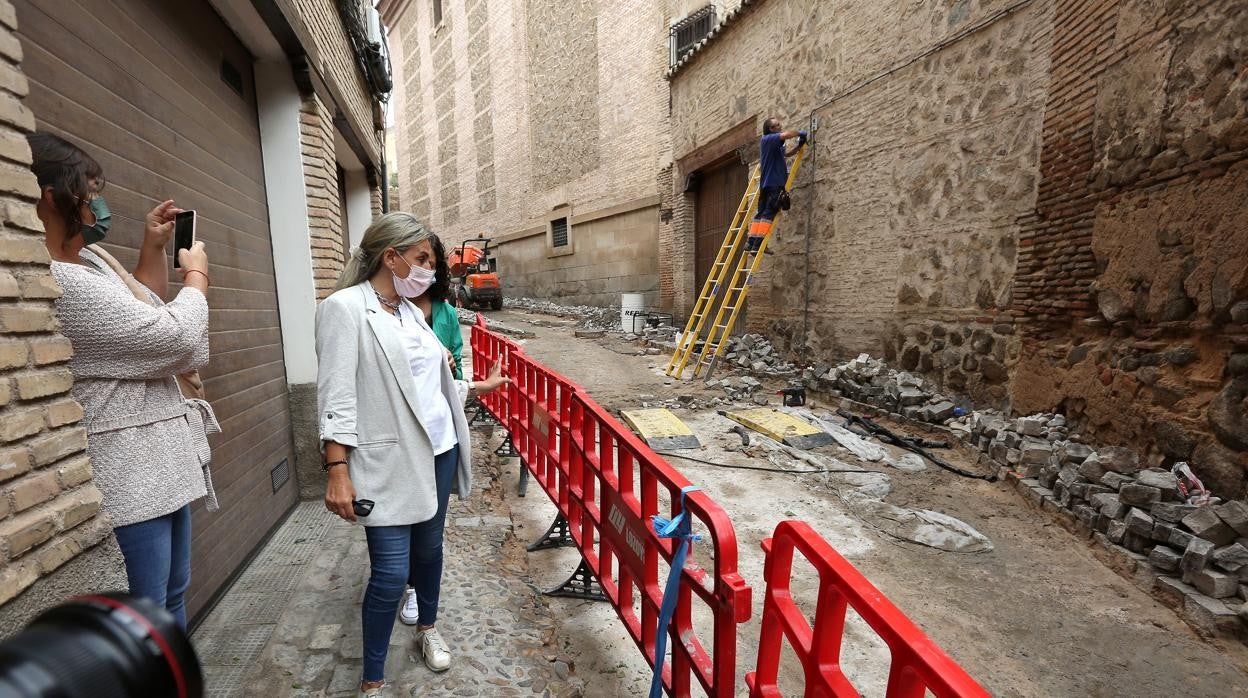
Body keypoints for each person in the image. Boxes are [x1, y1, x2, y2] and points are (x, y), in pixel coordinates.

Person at [316, 212, 510, 697]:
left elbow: (431, 384)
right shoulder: (344, 308)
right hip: (387, 461)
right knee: (389, 573)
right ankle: (373, 679)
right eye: (422, 258)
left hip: (439, 450)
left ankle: (427, 627)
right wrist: (336, 467)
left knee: (430, 552)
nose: (428, 269)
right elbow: (335, 396)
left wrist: (478, 384)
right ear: (391, 256)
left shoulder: (408, 311)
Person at [29, 132, 218, 629]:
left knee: (173, 597)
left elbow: (142, 307)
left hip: (161, 457)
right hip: (129, 470)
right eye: (90, 193)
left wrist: (152, 246)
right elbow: (174, 340)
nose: (98, 205)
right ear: (54, 197)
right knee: (146, 615)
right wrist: (196, 278)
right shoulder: (57, 279)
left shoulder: (89, 260)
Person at [745, 117, 807, 254]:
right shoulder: (769, 138)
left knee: (760, 213)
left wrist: (799, 146)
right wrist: (800, 133)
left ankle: (750, 242)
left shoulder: (773, 145)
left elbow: (785, 154)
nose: (780, 126)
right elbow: (787, 135)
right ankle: (757, 246)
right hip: (774, 184)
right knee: (769, 213)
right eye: (777, 125)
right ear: (771, 129)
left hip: (766, 184)